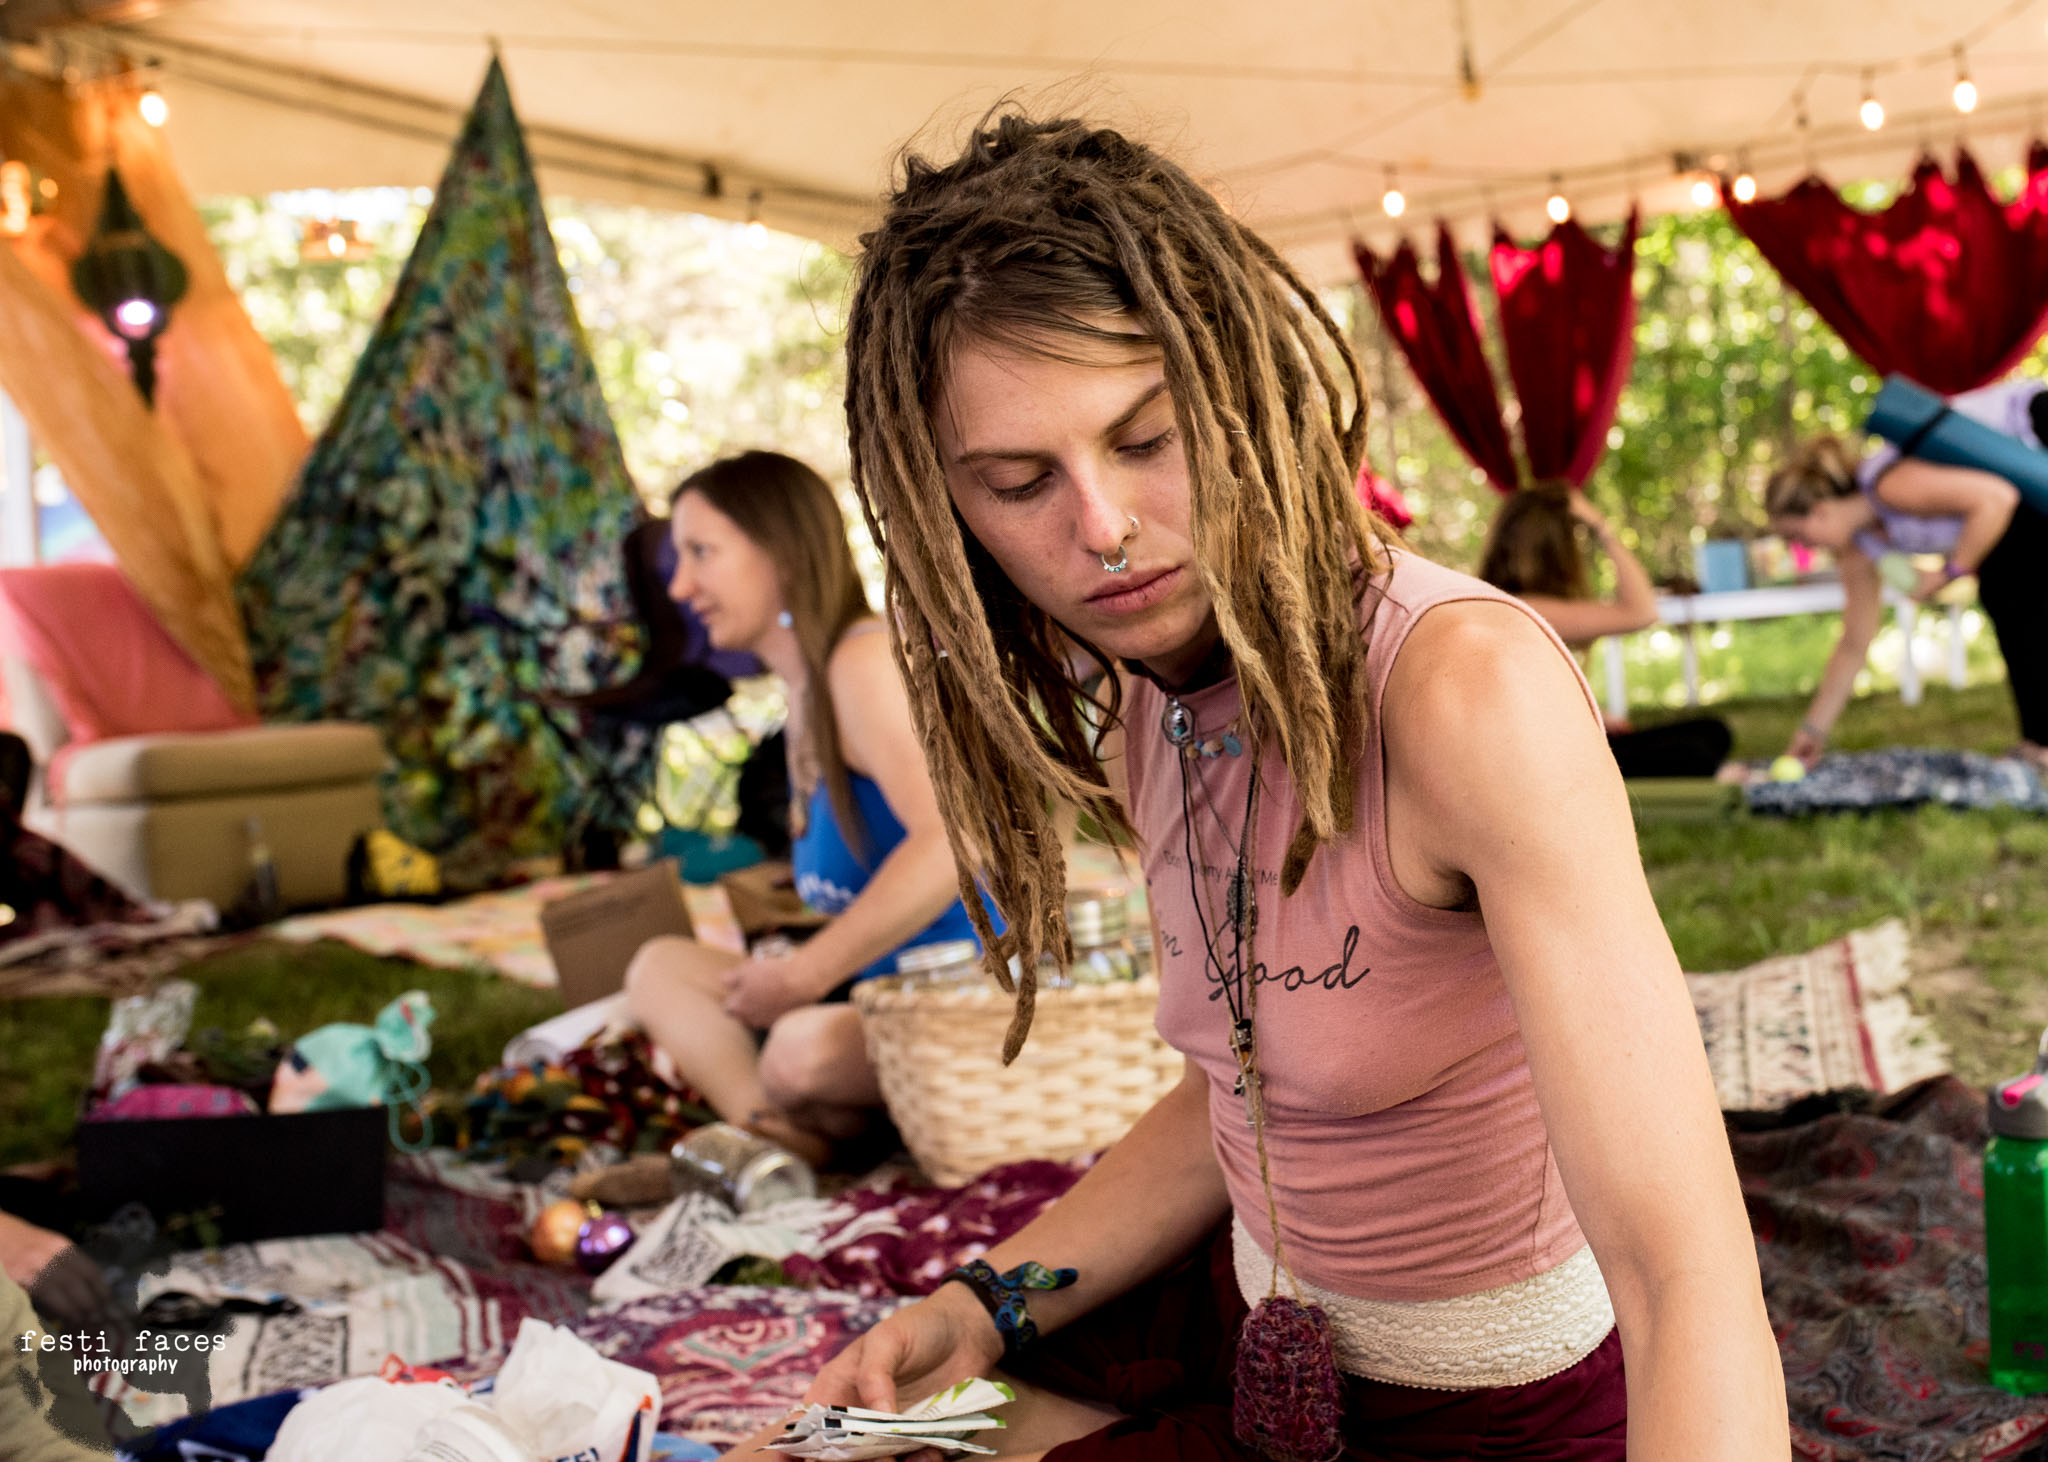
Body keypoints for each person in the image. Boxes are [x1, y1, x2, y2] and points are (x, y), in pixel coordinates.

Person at [717, 117, 1788, 1460]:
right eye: (1019, 480)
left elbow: (1684, 1273)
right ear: (947, 519)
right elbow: (1244, 1087)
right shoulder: (1148, 697)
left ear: (1241, 395)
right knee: (819, 1438)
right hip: (1250, 1328)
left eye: (1146, 438)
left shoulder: (1465, 691)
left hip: (1480, 1419)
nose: (1102, 527)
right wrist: (984, 1303)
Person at [623, 452, 995, 1167]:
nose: (679, 585)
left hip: (964, 999)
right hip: (872, 994)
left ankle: (806, 1124)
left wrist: (803, 976)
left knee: (798, 1052)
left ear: (782, 554)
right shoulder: (801, 693)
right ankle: (776, 1141)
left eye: (702, 553)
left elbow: (954, 843)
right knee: (661, 969)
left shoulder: (862, 664)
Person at [1766, 379, 2048, 771]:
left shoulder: (1889, 484)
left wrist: (1949, 573)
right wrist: (1813, 730)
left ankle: (2040, 744)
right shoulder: (1862, 547)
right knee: (2009, 594)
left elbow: (1996, 500)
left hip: (2036, 428)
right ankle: (2039, 742)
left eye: (1798, 536)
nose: (1804, 549)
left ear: (1820, 511)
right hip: (2023, 506)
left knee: (2009, 593)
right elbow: (1854, 642)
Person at [1477, 483, 1733, 778]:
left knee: (1712, 732)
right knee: (1696, 750)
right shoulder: (1527, 608)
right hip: (1550, 761)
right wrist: (1601, 527)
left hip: (1557, 743)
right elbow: (1642, 612)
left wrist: (1594, 714)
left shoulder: (1512, 603)